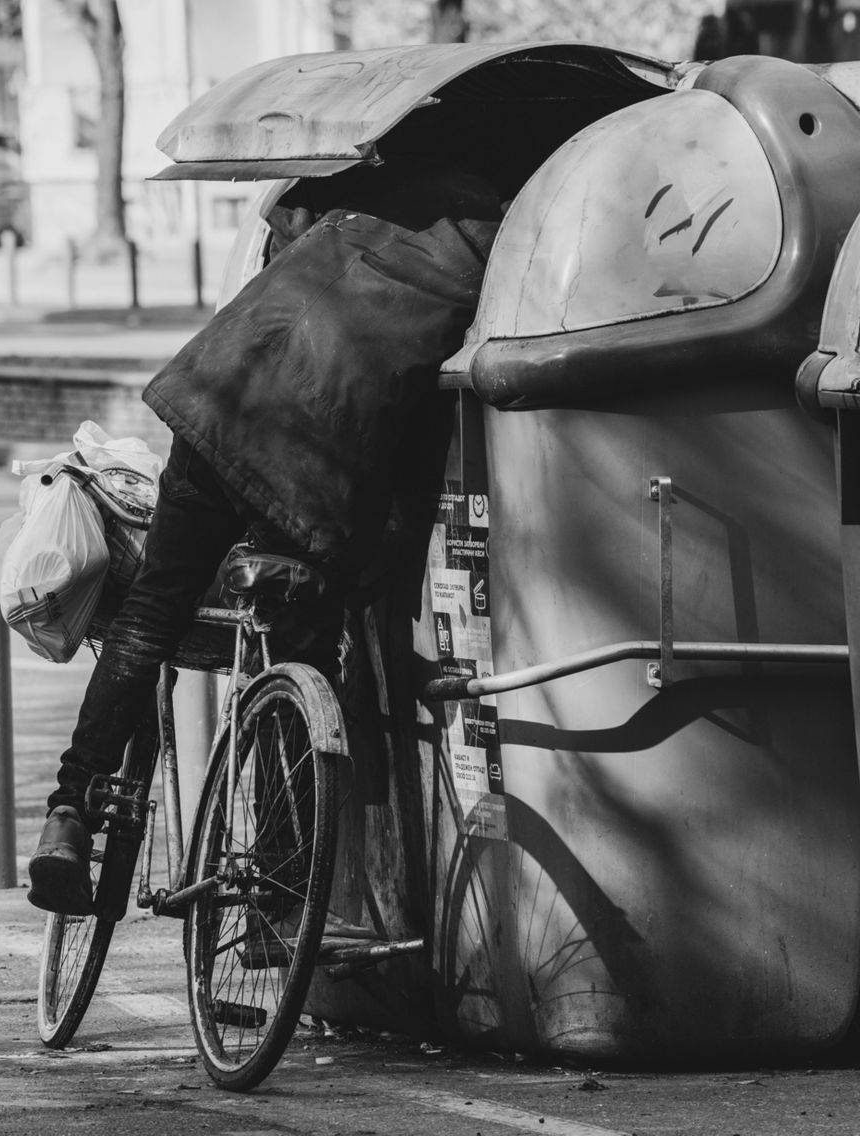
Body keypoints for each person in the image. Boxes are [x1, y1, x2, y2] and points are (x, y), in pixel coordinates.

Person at [27, 159, 503, 914]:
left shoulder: (353, 191)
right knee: (302, 646)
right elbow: (419, 435)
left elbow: (278, 235)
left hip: (217, 397)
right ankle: (283, 889)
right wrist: (383, 556)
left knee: (151, 614)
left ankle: (68, 814)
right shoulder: (491, 256)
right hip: (309, 461)